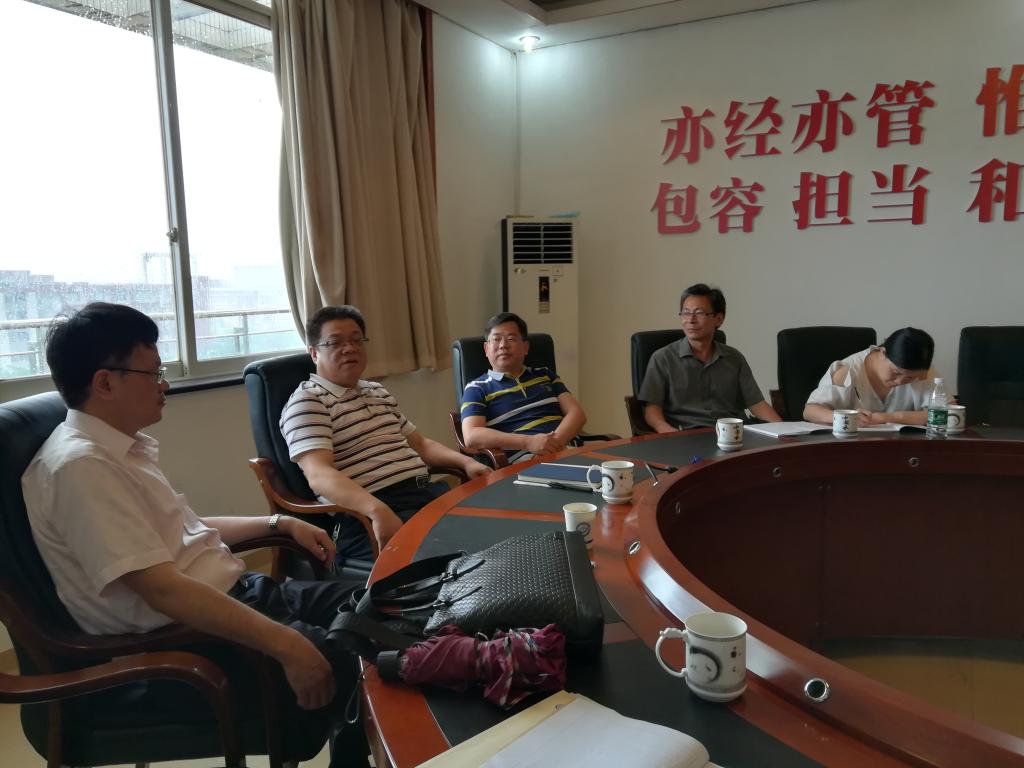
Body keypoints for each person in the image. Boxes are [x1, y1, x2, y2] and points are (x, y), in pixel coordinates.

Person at [21, 302, 368, 766]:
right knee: (355, 656)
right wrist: (287, 644)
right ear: (105, 383)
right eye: (153, 372)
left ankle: (353, 744)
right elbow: (162, 590)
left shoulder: (115, 450)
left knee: (376, 604)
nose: (164, 384)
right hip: (187, 638)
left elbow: (185, 528)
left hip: (239, 595)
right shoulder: (80, 467)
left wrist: (279, 523)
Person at [281, 305, 490, 563]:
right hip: (368, 515)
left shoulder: (376, 391)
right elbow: (319, 474)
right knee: (460, 562)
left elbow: (421, 445)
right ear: (314, 353)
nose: (349, 348)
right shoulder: (308, 402)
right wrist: (377, 510)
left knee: (497, 532)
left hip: (424, 496)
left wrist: (467, 462)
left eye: (356, 340)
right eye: (335, 342)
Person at [639, 283, 782, 432]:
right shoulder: (663, 358)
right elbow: (651, 411)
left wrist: (784, 430)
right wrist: (669, 433)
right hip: (686, 435)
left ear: (718, 319)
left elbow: (756, 404)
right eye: (685, 313)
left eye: (699, 313)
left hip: (732, 435)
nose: (691, 320)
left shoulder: (734, 358)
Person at [460, 312, 587, 462]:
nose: (503, 345)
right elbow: (471, 436)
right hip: (525, 460)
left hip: (566, 451)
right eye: (496, 339)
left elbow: (577, 414)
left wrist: (550, 446)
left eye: (511, 339)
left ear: (525, 347)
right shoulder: (476, 388)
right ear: (486, 349)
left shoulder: (545, 375)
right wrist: (528, 443)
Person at [803, 327, 943, 426]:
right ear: (882, 353)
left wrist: (887, 418)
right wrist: (847, 417)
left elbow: (948, 414)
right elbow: (810, 411)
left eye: (910, 378)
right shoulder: (847, 371)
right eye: (896, 372)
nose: (900, 381)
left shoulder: (922, 371)